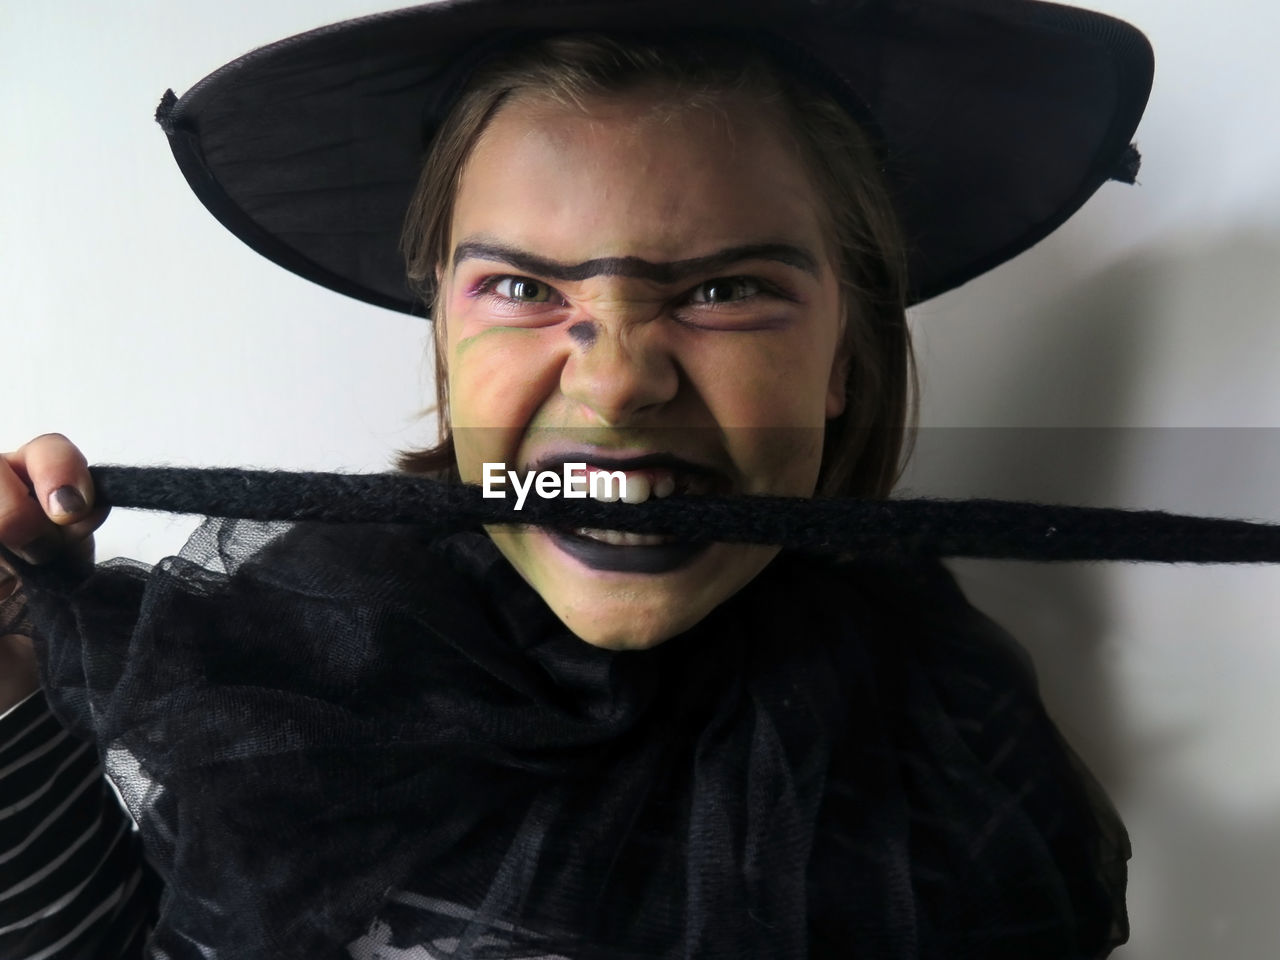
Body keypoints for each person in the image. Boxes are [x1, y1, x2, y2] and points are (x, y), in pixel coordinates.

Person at [0, 1, 1150, 957]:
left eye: (722, 289)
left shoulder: (948, 732)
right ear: (443, 332)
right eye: (519, 288)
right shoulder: (283, 668)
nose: (615, 386)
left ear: (843, 356)